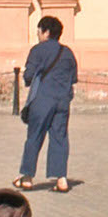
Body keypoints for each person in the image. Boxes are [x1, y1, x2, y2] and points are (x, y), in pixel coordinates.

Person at [17, 15, 77, 192]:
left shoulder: (38, 50)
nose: (38, 34)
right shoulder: (67, 52)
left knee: (35, 136)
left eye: (39, 31)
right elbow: (73, 77)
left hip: (43, 99)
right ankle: (61, 179)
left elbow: (29, 76)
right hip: (62, 99)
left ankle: (27, 176)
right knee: (60, 137)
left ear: (46, 32)